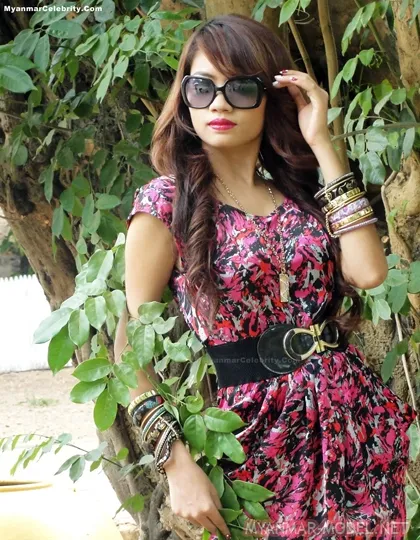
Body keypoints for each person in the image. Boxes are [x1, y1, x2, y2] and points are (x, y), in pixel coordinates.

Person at [116, 13, 417, 540]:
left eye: (240, 88)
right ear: (185, 98)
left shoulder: (296, 192)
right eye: (202, 87)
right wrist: (175, 462)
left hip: (353, 419)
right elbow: (128, 347)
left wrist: (322, 143)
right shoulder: (167, 203)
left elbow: (369, 271)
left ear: (270, 96)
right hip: (257, 436)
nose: (219, 104)